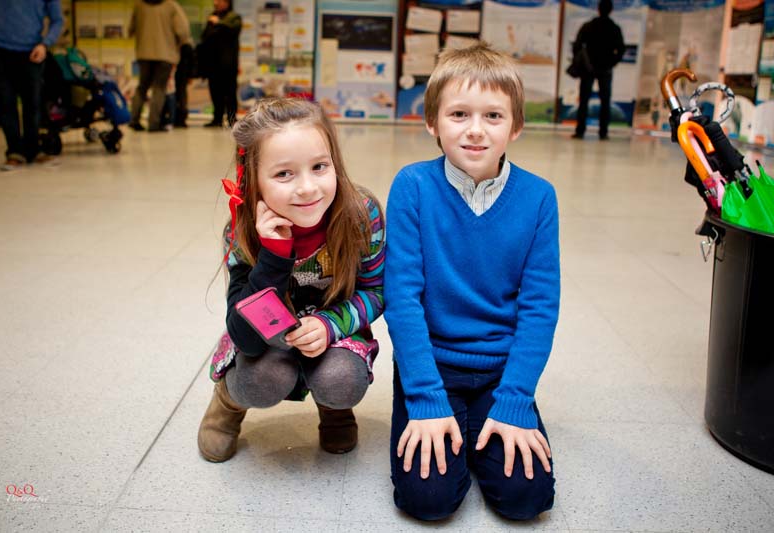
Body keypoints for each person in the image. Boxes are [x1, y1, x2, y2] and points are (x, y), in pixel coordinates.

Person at [385, 43, 559, 521]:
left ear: (516, 126)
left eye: (493, 116)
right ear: (432, 123)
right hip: (431, 367)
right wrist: (424, 397)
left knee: (527, 500)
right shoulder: (413, 187)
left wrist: (516, 399)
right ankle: (451, 432)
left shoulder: (539, 199)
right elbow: (402, 298)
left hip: (501, 372)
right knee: (428, 500)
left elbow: (539, 308)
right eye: (459, 113)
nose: (476, 130)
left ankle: (485, 426)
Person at [198, 98, 385, 462]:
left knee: (342, 381)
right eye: (284, 174)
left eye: (319, 167)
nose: (307, 188)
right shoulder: (243, 232)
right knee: (260, 380)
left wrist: (330, 325)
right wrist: (273, 256)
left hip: (335, 331)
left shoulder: (362, 215)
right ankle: (228, 403)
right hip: (265, 341)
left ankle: (333, 408)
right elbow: (245, 337)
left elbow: (376, 291)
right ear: (252, 181)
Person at [0, 0, 64, 170]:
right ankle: (14, 152)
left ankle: (33, 149)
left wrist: (45, 44)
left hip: (32, 51)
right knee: (5, 102)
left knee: (33, 103)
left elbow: (57, 20)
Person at [128, 0, 191, 132]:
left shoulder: (139, 5)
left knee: (142, 87)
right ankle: (154, 123)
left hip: (144, 53)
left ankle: (134, 120)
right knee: (159, 88)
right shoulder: (171, 6)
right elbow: (183, 31)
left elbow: (130, 29)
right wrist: (181, 44)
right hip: (165, 54)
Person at [571, 0, 625, 140]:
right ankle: (603, 132)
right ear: (611, 10)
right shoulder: (614, 28)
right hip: (605, 69)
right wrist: (612, 62)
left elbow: (577, 45)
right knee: (605, 102)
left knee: (584, 101)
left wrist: (582, 61)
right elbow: (620, 50)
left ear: (598, 9)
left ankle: (580, 131)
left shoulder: (589, 26)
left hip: (588, 69)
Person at [199, 0, 241, 128]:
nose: (216, 2)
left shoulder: (234, 17)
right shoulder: (212, 17)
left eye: (219, 0)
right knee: (215, 92)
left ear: (227, 3)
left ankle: (231, 119)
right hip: (213, 63)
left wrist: (219, 24)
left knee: (230, 93)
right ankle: (217, 119)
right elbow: (205, 36)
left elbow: (233, 31)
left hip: (228, 63)